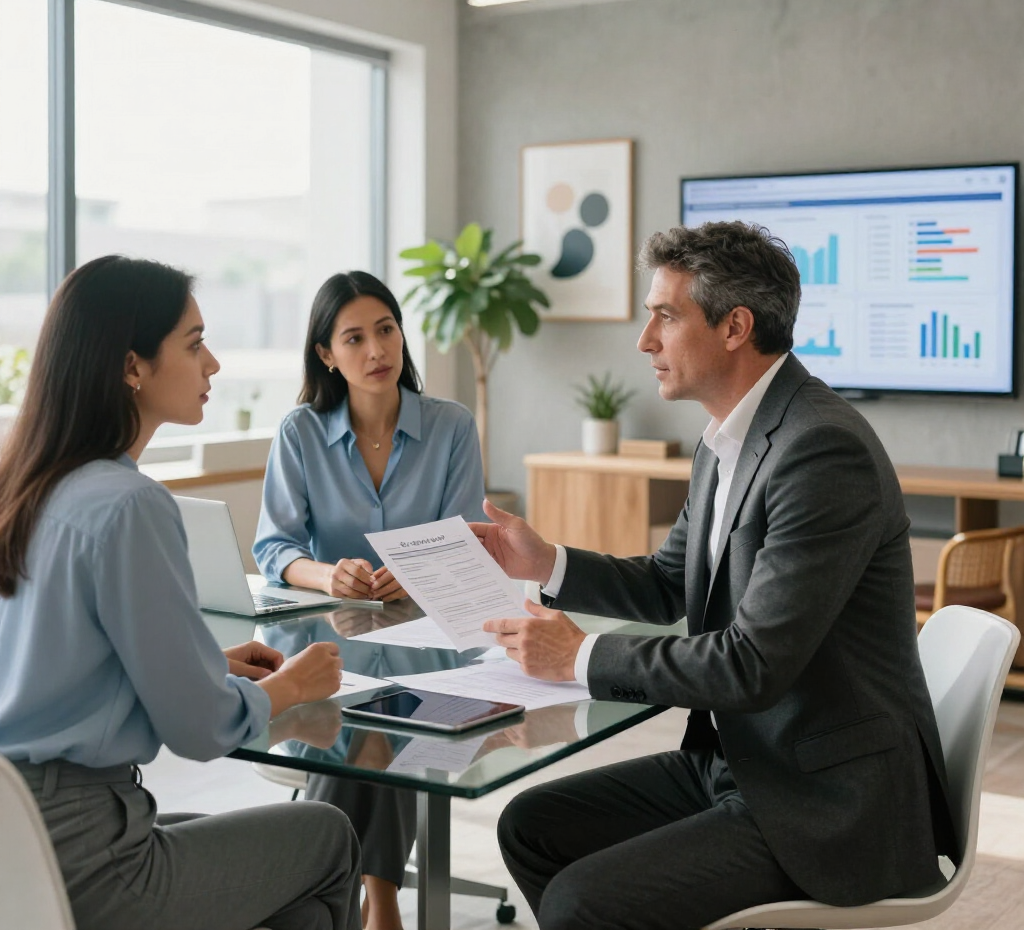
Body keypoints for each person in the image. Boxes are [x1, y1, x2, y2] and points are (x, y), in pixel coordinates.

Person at [473, 221, 957, 930]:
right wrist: (547, 563)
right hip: (741, 761)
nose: (645, 341)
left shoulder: (821, 450)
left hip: (827, 797)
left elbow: (753, 664)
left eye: (665, 316)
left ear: (735, 327)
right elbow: (671, 582)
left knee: (585, 902)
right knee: (530, 825)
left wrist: (579, 656)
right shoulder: (727, 436)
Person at [0, 256, 361, 930]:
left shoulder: (26, 484)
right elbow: (200, 729)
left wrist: (206, 666)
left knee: (298, 909)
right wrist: (295, 684)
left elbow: (54, 663)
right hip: (90, 852)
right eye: (194, 344)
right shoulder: (130, 504)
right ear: (132, 366)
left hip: (17, 839)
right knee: (327, 835)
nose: (214, 364)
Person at [254, 270, 485, 930]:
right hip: (332, 649)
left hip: (434, 650)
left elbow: (468, 539)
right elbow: (274, 549)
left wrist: (412, 575)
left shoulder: (451, 426)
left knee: (377, 731)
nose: (378, 349)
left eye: (386, 329)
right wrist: (329, 577)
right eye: (354, 337)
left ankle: (338, 899)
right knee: (363, 730)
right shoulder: (300, 433)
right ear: (326, 354)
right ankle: (381, 900)